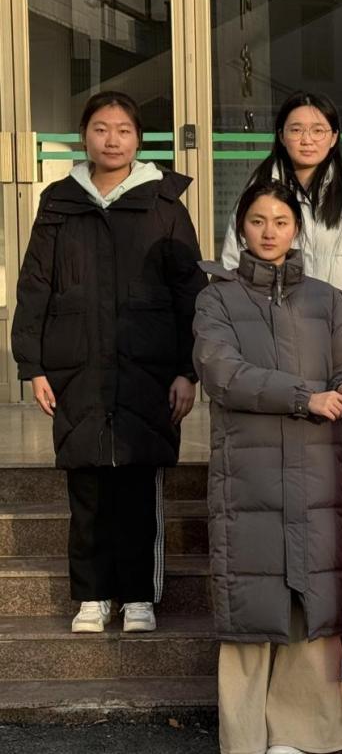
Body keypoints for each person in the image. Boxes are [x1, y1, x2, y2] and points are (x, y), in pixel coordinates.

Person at [11, 91, 205, 634]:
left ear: (138, 138)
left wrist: (188, 370)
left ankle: (139, 596)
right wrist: (34, 366)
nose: (112, 140)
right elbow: (35, 285)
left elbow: (190, 292)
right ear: (84, 136)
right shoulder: (59, 202)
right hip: (77, 367)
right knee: (87, 488)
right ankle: (92, 596)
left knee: (139, 486)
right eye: (101, 129)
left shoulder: (164, 203)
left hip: (149, 368)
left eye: (123, 130)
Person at [193, 179, 342, 754]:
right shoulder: (217, 298)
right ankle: (247, 736)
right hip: (249, 472)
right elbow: (222, 373)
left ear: (297, 230)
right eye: (257, 221)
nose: (269, 232)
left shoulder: (326, 299)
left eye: (281, 222)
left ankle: (300, 733)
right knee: (251, 598)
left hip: (318, 466)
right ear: (240, 228)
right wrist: (305, 397)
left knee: (310, 596)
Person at [222, 91, 342, 386]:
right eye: (296, 130)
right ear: (281, 135)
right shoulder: (257, 197)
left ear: (333, 137)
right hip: (271, 347)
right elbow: (234, 268)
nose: (307, 140)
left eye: (318, 130)